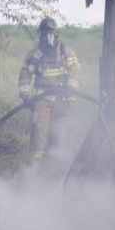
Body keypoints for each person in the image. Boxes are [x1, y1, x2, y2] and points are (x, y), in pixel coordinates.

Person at [18, 17, 81, 161]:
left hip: (62, 99)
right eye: (44, 33)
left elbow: (74, 70)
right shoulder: (36, 53)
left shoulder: (65, 52)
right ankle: (36, 165)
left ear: (56, 33)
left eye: (50, 32)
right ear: (40, 34)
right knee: (40, 130)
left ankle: (57, 162)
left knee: (60, 131)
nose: (47, 37)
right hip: (42, 99)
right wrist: (25, 94)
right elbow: (25, 73)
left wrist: (71, 92)